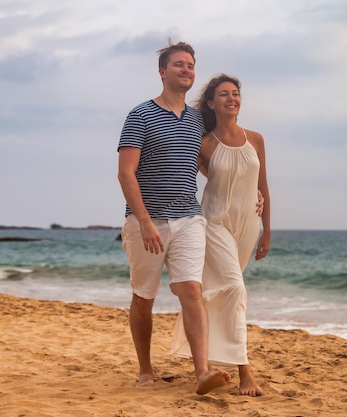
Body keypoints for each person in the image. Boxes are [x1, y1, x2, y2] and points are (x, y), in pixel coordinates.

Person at [117, 41, 230, 395]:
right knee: (144, 297)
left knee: (191, 291)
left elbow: (208, 167)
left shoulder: (199, 120)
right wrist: (146, 222)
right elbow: (125, 173)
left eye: (191, 65)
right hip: (145, 223)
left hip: (189, 218)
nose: (187, 70)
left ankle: (201, 372)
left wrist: (249, 192)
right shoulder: (140, 115)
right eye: (179, 64)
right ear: (162, 71)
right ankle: (146, 369)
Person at [171, 74, 271, 397]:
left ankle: (209, 360)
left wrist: (267, 229)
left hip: (247, 226)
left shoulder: (256, 139)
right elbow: (188, 178)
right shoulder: (205, 143)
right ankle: (245, 373)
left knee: (224, 294)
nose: (232, 98)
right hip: (214, 222)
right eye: (224, 94)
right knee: (234, 289)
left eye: (236, 93)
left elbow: (262, 187)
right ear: (211, 103)